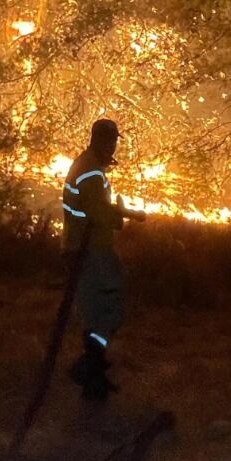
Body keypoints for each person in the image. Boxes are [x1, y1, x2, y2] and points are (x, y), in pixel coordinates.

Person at [62, 118, 146, 400]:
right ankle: (89, 366)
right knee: (110, 308)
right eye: (110, 141)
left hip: (84, 248)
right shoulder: (91, 173)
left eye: (114, 141)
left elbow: (92, 207)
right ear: (99, 140)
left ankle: (93, 374)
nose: (113, 146)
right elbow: (97, 213)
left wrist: (119, 212)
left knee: (95, 311)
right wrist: (123, 215)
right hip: (90, 250)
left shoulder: (88, 166)